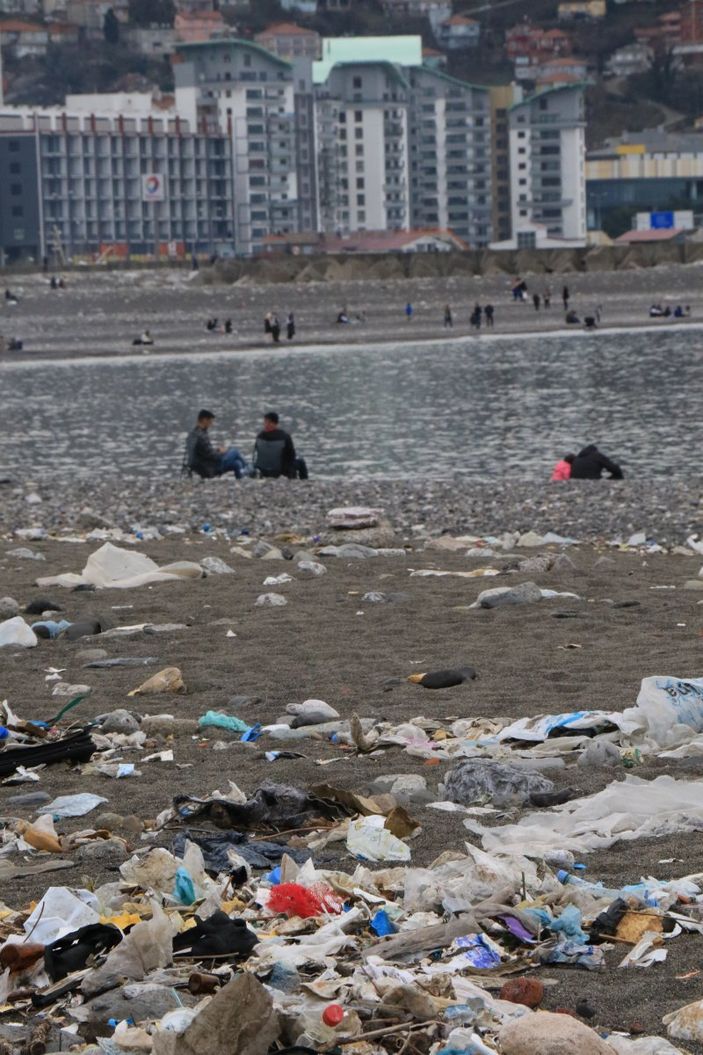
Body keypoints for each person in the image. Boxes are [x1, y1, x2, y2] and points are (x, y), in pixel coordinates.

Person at [185, 409, 251, 480]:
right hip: (210, 468)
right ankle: (250, 469)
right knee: (235, 451)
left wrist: (218, 450)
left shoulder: (192, 434)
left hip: (201, 466)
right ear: (204, 420)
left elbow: (205, 453)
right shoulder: (202, 436)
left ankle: (241, 479)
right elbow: (214, 457)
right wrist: (221, 453)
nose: (211, 424)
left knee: (237, 464)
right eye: (210, 421)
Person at [253, 411, 308, 480]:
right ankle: (304, 482)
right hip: (280, 471)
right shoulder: (284, 436)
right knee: (300, 461)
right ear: (275, 423)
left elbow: (257, 453)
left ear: (271, 423)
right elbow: (292, 455)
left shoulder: (260, 436)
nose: (264, 424)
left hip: (263, 470)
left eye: (265, 422)